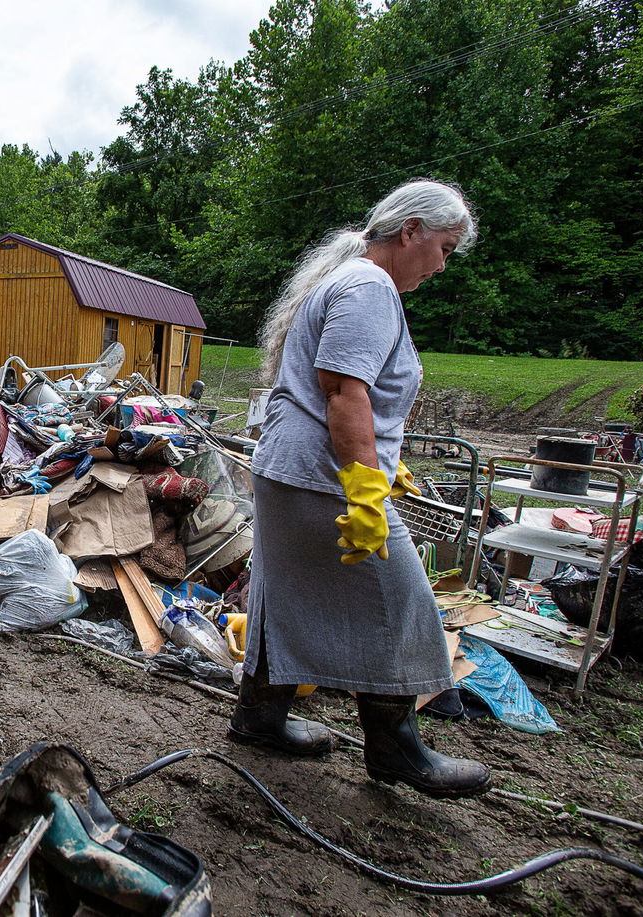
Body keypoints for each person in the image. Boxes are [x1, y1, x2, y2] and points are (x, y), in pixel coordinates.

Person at [228, 178, 491, 799]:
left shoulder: (350, 280)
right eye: (446, 248)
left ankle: (259, 718)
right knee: (398, 601)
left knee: (285, 593)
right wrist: (366, 490)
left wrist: (382, 463)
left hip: (295, 469)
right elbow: (345, 392)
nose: (442, 265)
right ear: (411, 232)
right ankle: (396, 749)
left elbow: (346, 396)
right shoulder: (370, 286)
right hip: (321, 475)